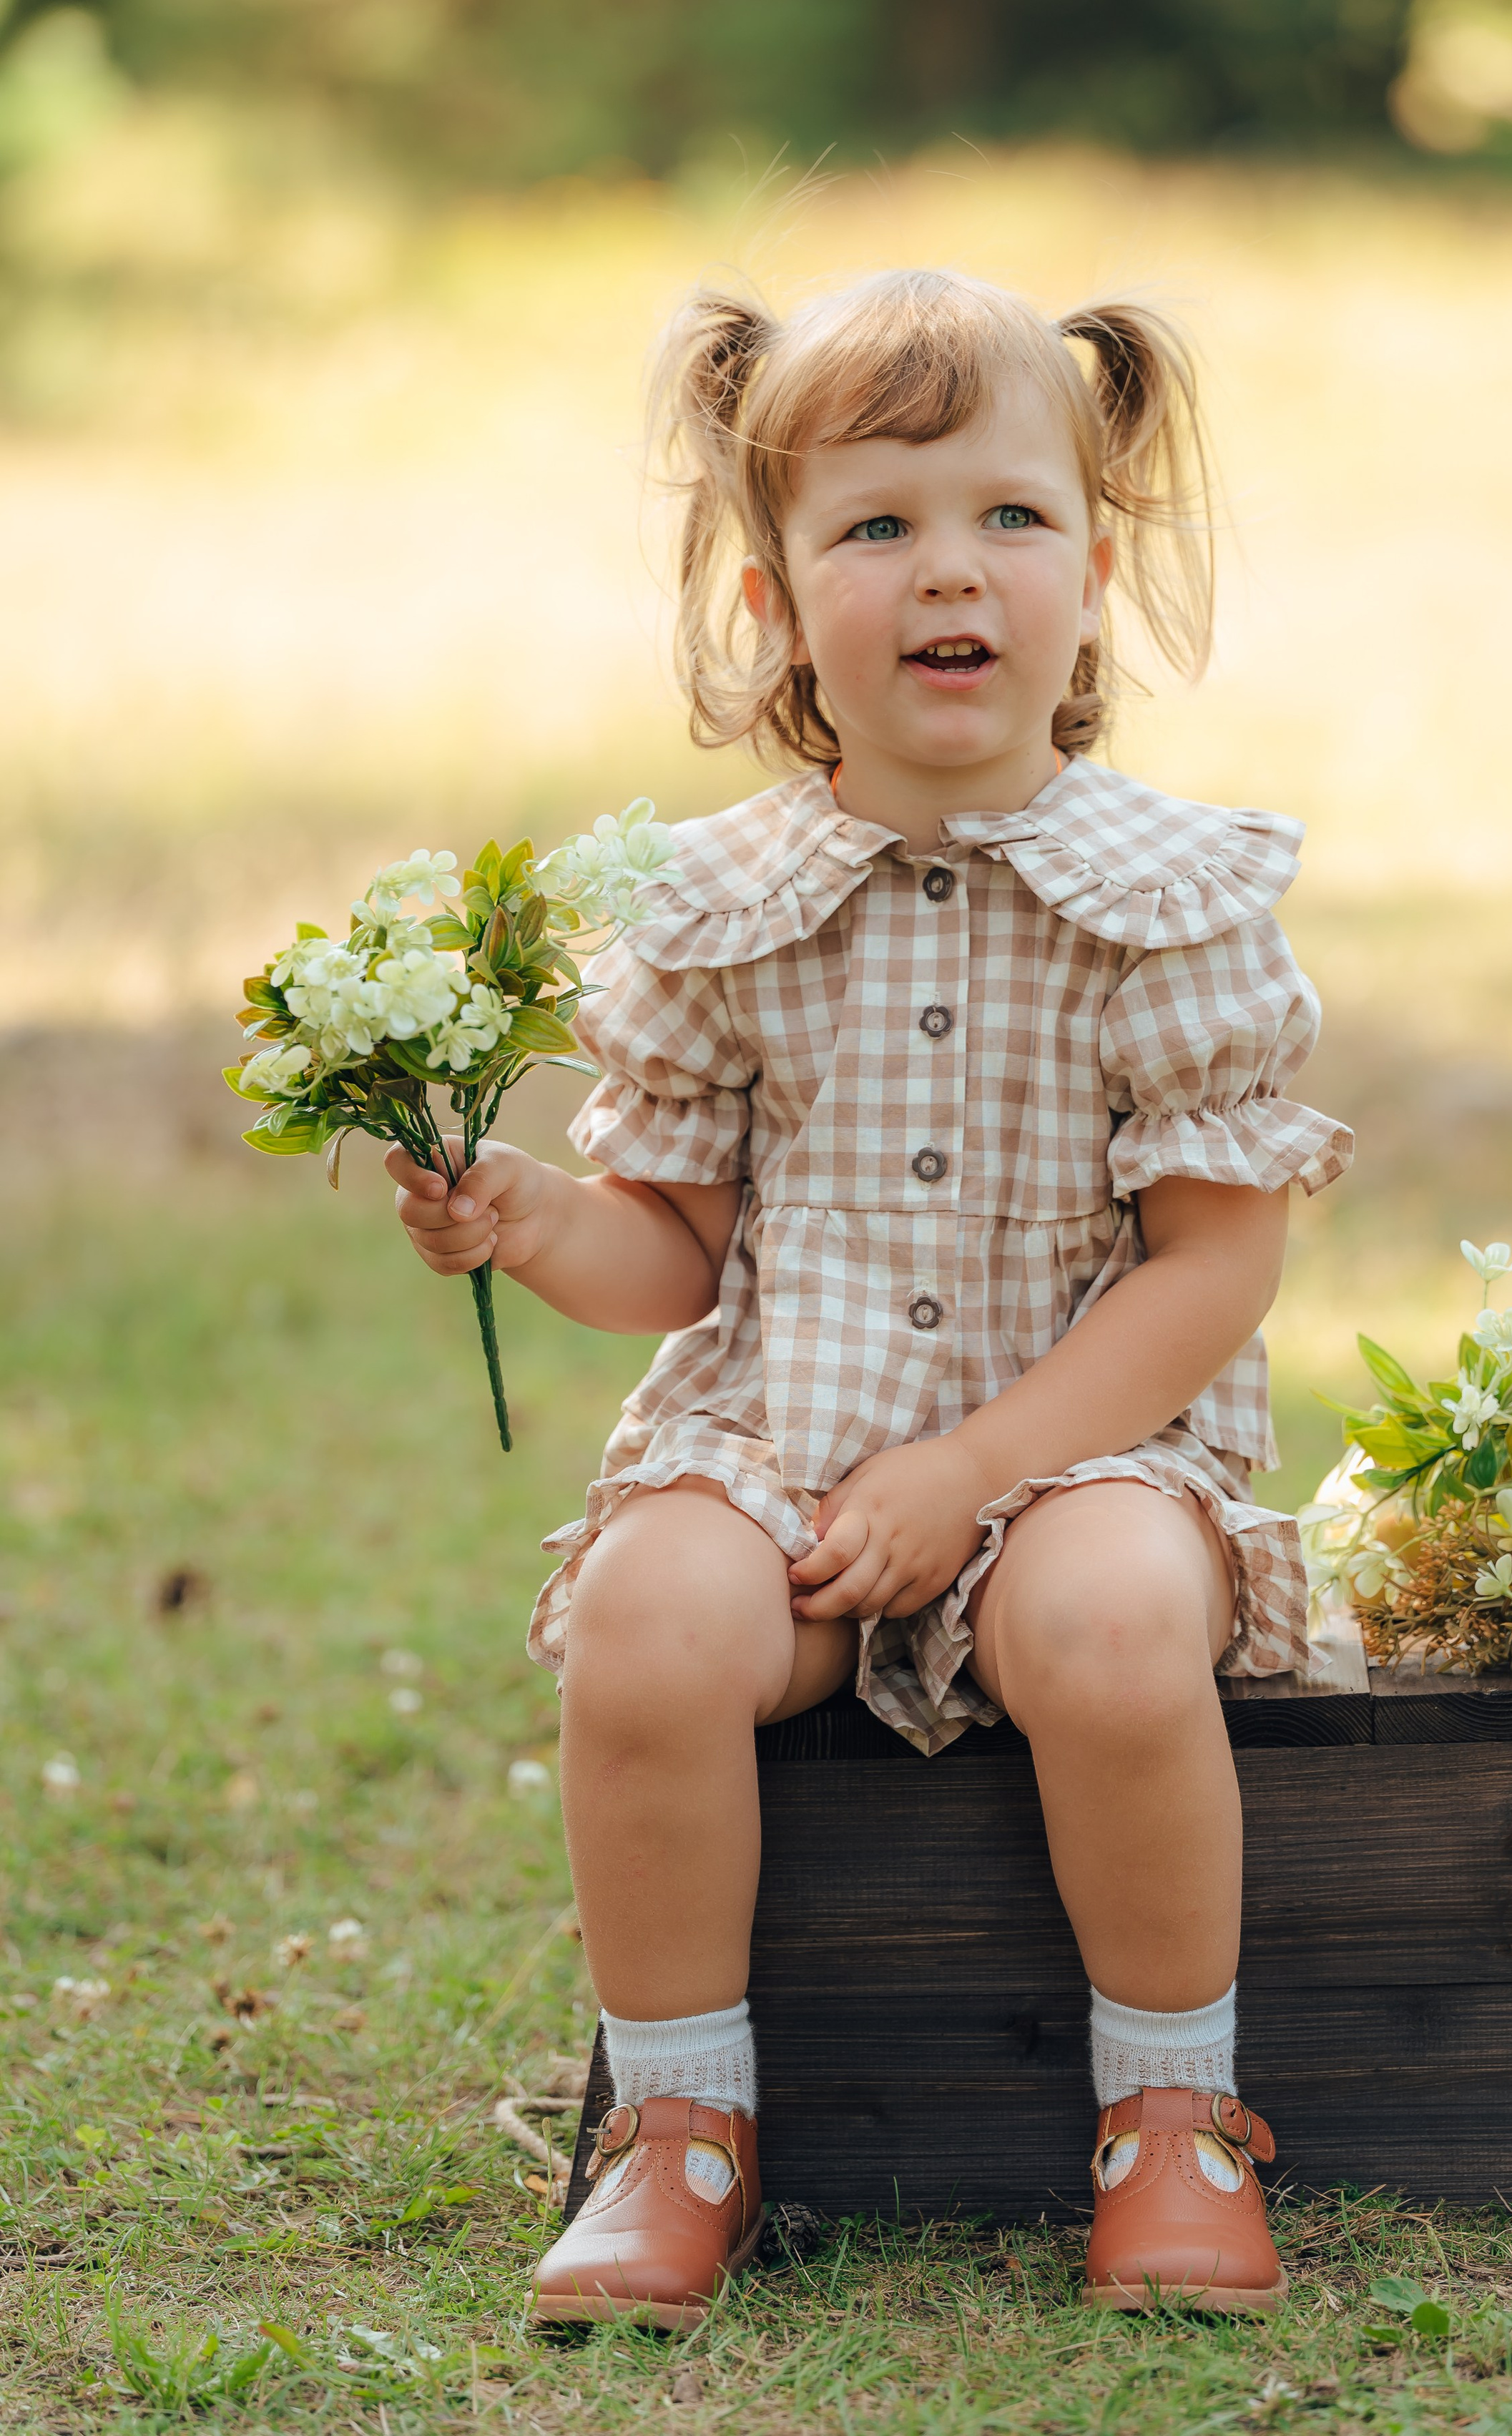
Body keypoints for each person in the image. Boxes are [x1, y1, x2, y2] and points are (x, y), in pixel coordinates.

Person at [388, 269, 1352, 2331]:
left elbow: (1215, 1264)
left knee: (1099, 1617)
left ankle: (1172, 2116)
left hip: (1089, 1452)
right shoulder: (723, 906)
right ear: (772, 603)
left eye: (1012, 518)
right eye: (879, 524)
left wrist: (983, 1469)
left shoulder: (1166, 898)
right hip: (788, 1455)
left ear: (1095, 574)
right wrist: (539, 1217)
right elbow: (682, 1244)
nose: (954, 571)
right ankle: (681, 2127)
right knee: (645, 1615)